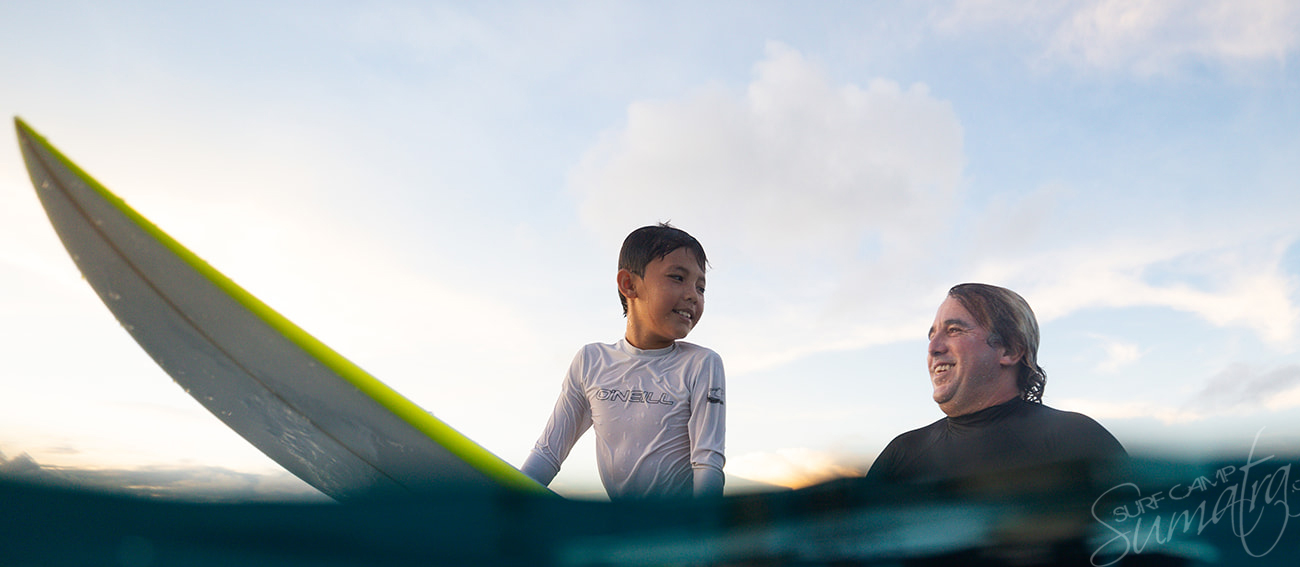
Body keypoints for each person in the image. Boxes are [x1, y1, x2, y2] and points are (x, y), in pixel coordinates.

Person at [521, 223, 725, 499]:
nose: (693, 295)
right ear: (629, 284)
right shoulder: (591, 361)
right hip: (620, 520)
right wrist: (510, 506)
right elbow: (548, 454)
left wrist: (705, 522)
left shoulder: (701, 364)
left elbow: (707, 462)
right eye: (678, 278)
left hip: (681, 521)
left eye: (701, 288)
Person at [867, 283, 1125, 483]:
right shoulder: (902, 453)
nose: (933, 348)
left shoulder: (1074, 438)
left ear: (1010, 351)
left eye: (954, 330)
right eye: (932, 335)